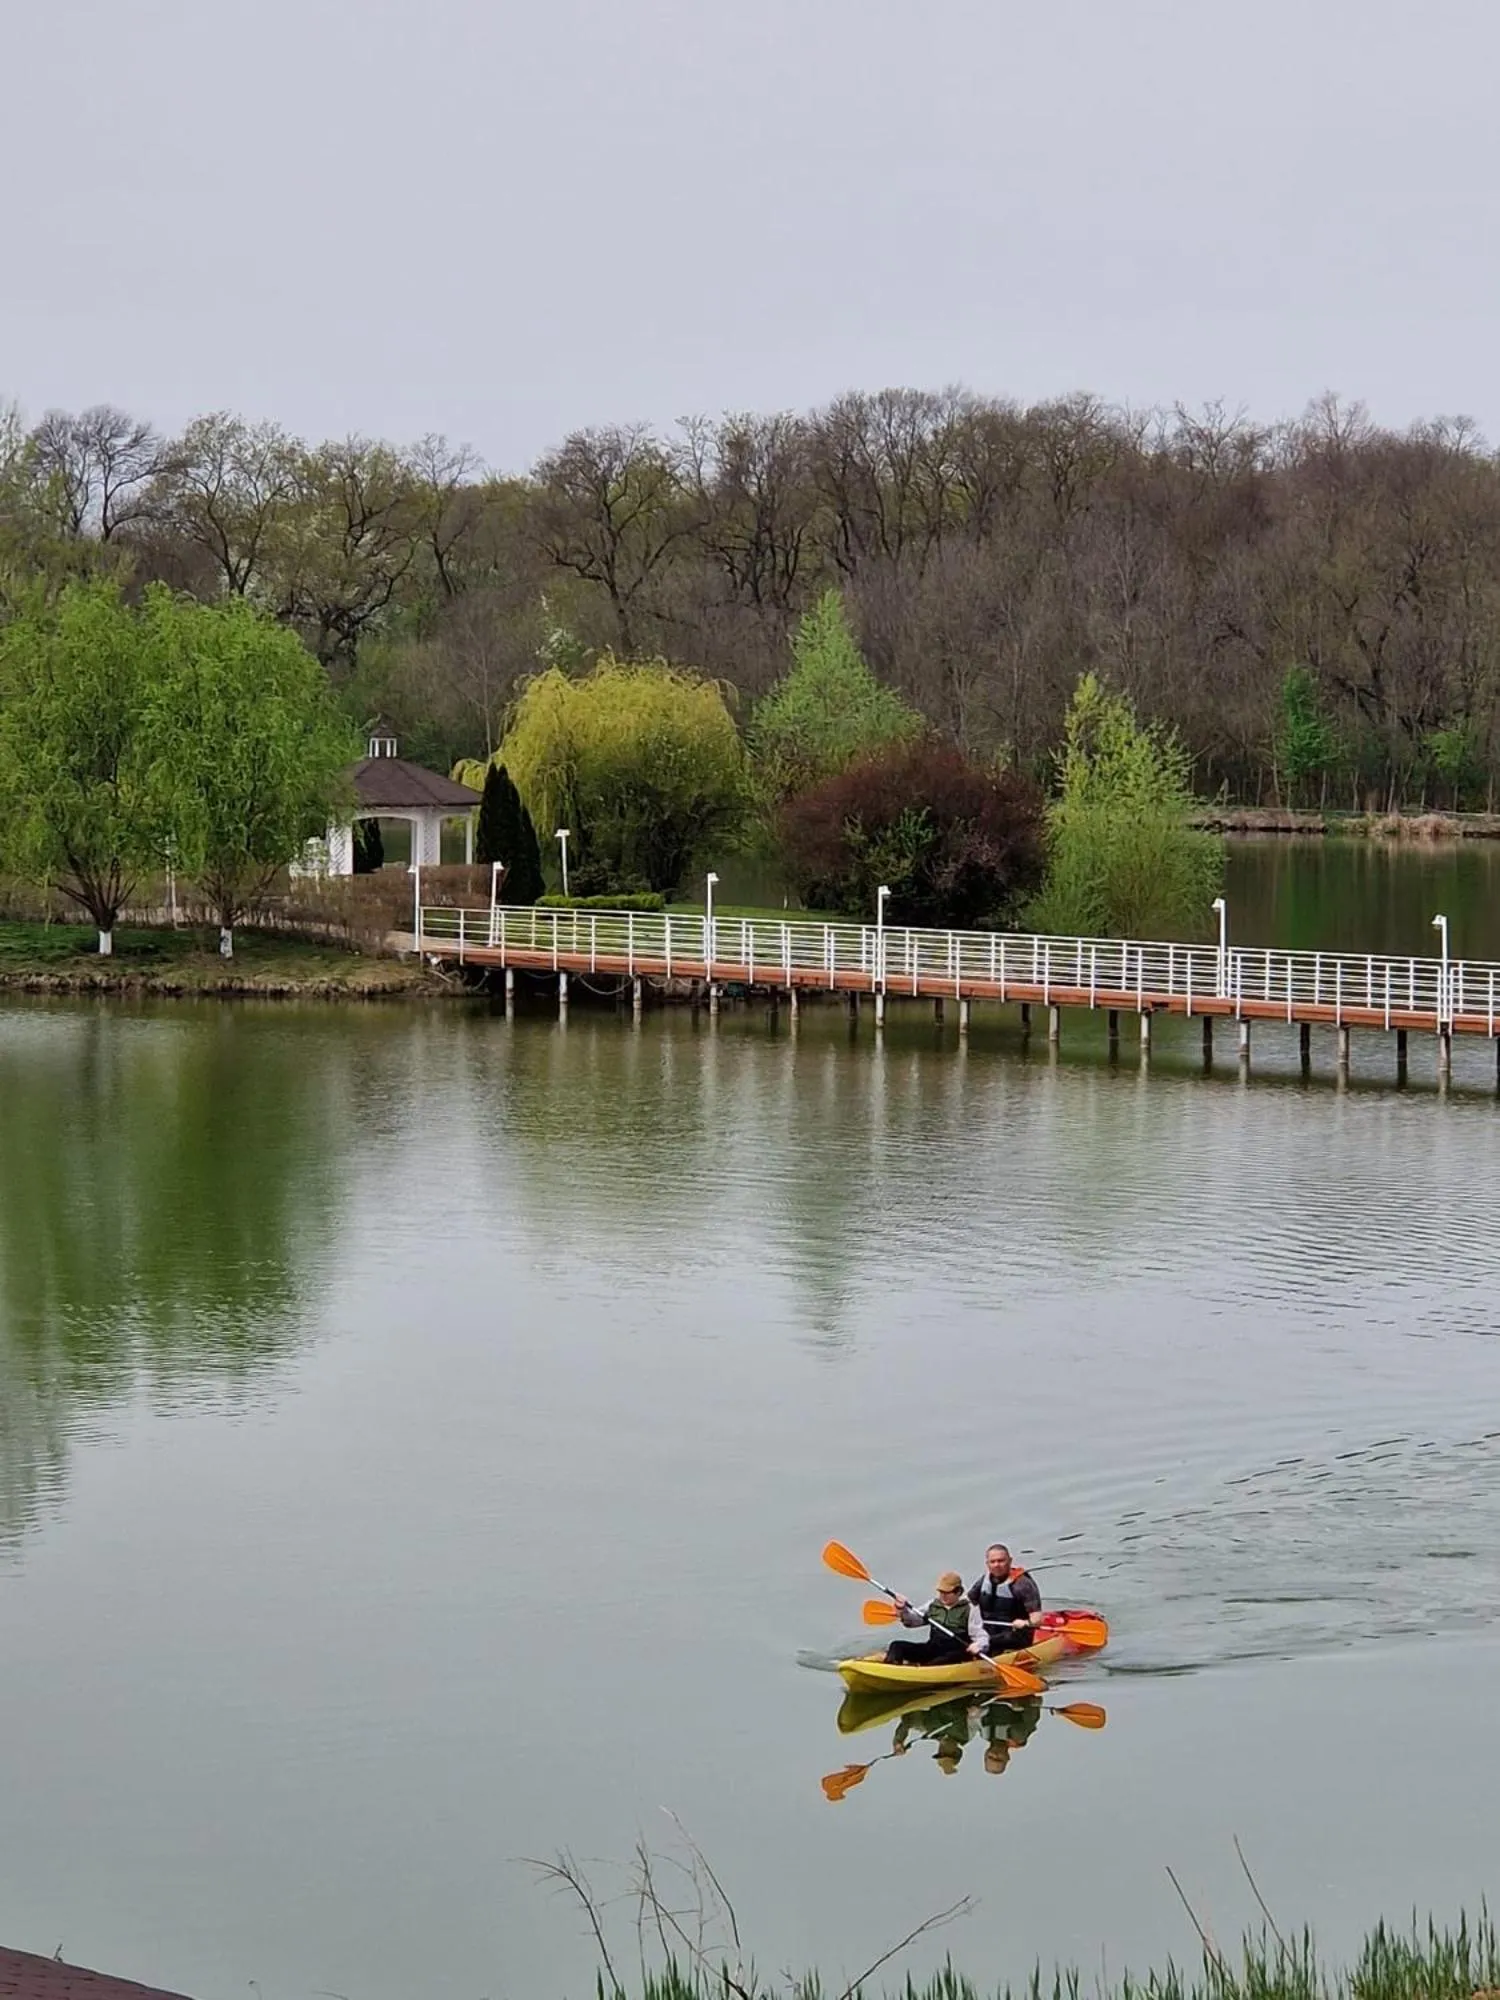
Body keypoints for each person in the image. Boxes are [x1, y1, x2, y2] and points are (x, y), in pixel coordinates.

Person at [884, 1571, 988, 1666]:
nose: (943, 1596)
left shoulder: (970, 1609)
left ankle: (925, 1670)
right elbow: (912, 1622)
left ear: (958, 1592)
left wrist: (979, 1645)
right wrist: (902, 1609)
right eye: (941, 1592)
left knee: (946, 1658)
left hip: (956, 1652)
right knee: (896, 1645)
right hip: (933, 1647)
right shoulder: (933, 1605)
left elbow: (981, 1635)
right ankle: (891, 1667)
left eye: (947, 1592)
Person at [968, 1544, 1043, 1653]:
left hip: (1015, 1635)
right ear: (987, 1564)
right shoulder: (985, 1580)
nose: (997, 1565)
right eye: (993, 1562)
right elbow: (968, 1601)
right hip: (987, 1632)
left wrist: (1026, 1623)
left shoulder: (1023, 1584)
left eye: (1001, 1561)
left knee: (991, 1641)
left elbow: (1037, 1619)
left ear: (1010, 1560)